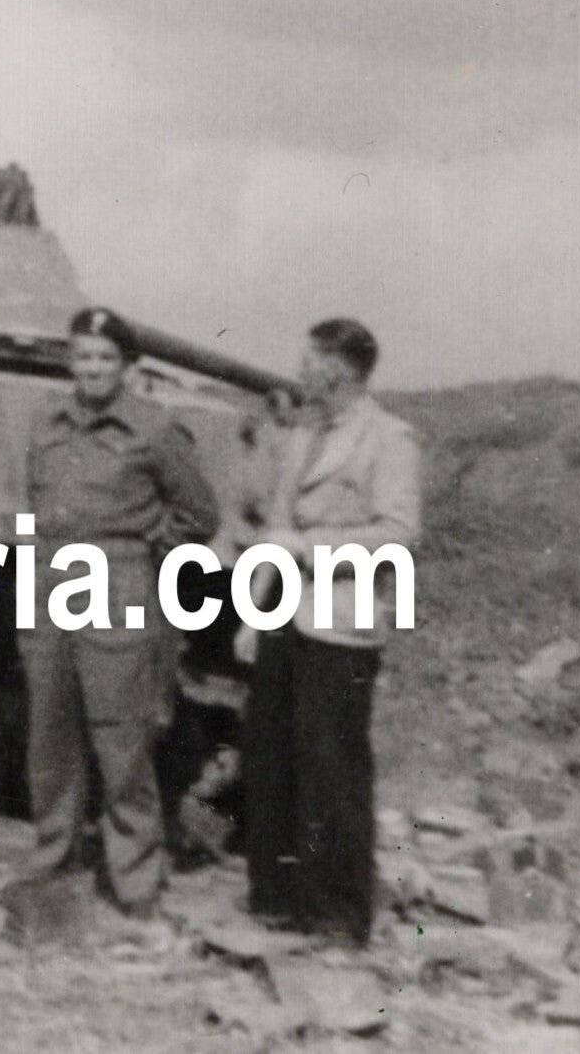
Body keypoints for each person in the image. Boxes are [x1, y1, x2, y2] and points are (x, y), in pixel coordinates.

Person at [17, 307, 219, 926]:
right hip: (52, 586)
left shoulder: (154, 430)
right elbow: (36, 501)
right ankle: (52, 855)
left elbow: (199, 517)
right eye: (82, 357)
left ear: (127, 367)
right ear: (69, 363)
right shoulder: (45, 425)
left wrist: (143, 550)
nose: (93, 369)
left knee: (121, 739)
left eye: (105, 359)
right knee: (51, 736)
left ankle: (134, 878)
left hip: (120, 588)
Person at [237, 318, 420, 946]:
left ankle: (340, 913)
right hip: (285, 618)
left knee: (333, 768)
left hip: (342, 623)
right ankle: (282, 898)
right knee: (273, 757)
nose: (301, 368)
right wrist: (254, 612)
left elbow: (398, 536)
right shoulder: (305, 435)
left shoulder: (388, 439)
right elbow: (276, 525)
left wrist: (314, 550)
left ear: (339, 368)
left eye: (310, 359)